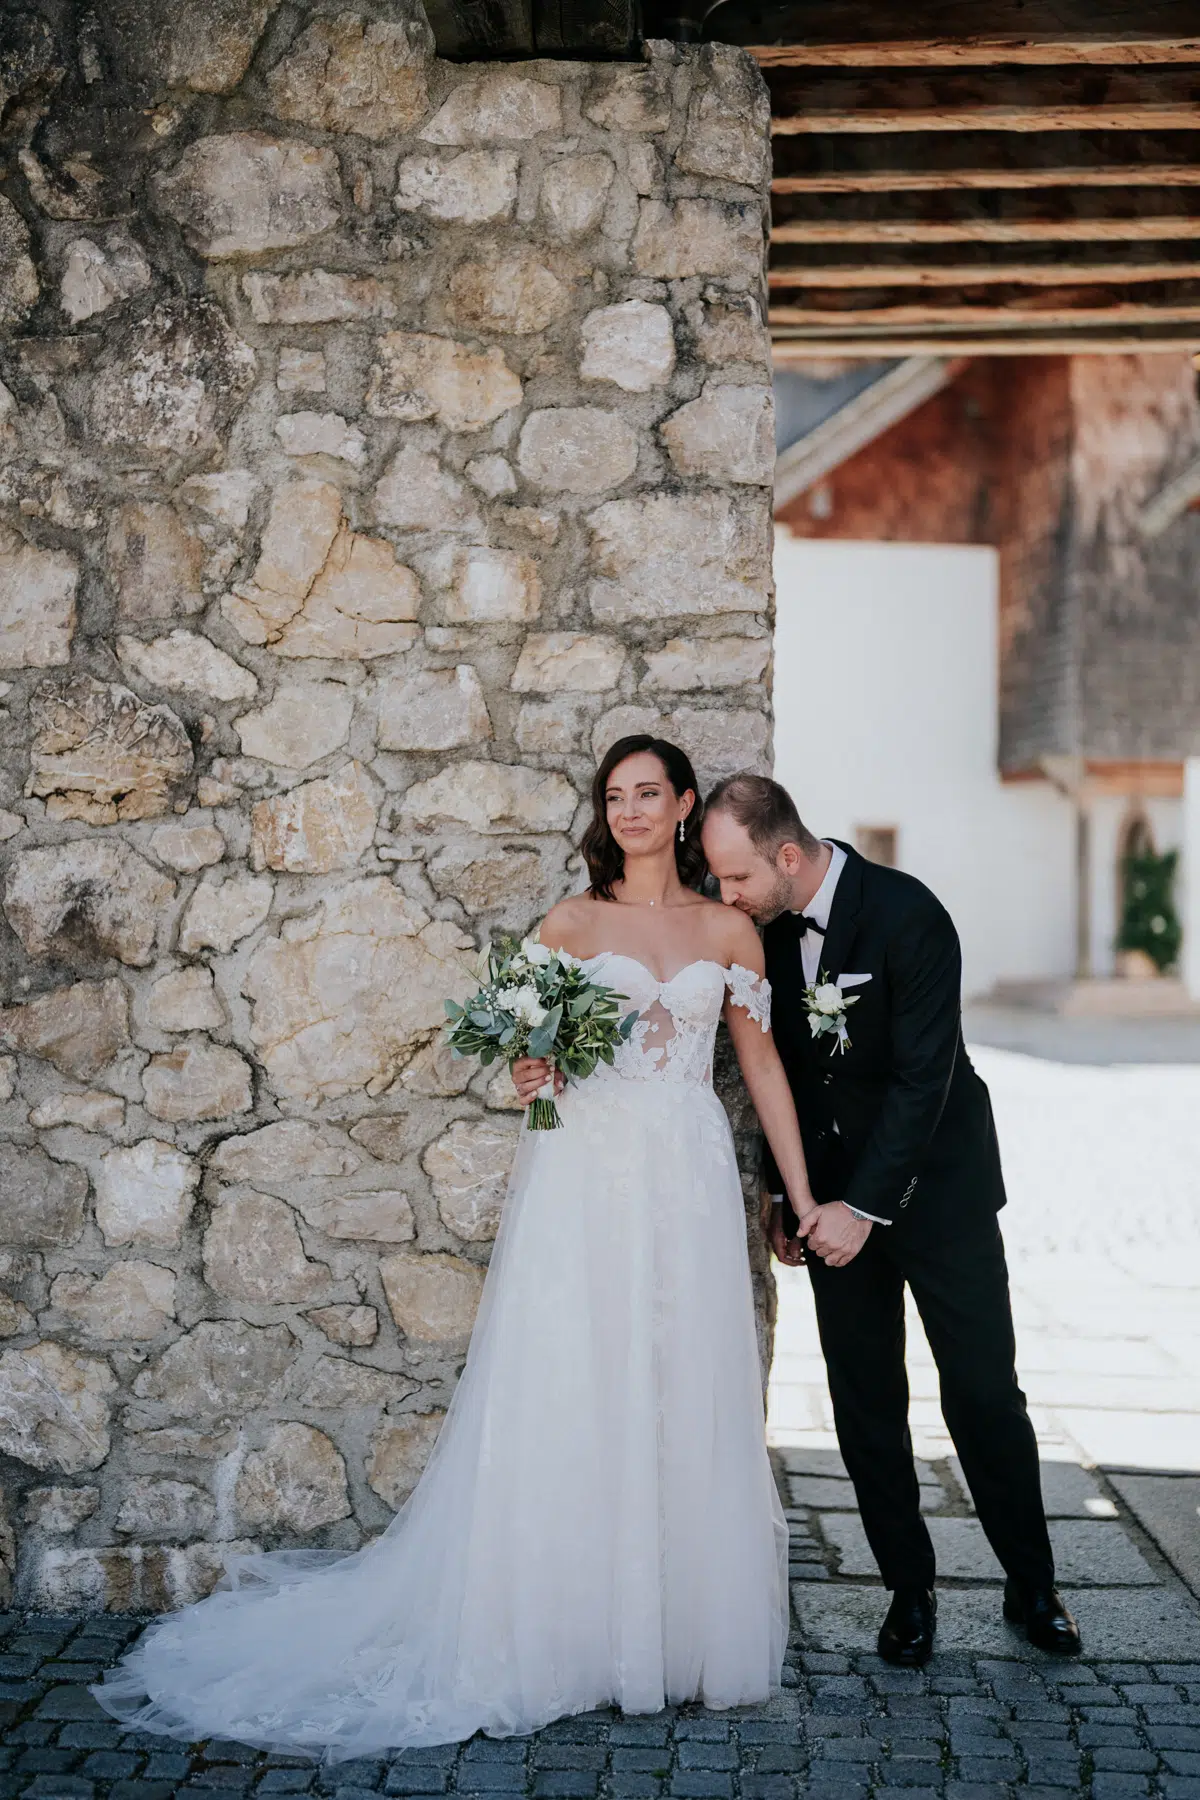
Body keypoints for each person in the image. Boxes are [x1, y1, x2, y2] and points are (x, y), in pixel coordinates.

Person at [94, 735, 818, 1755]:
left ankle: (677, 1636)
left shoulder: (729, 932)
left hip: (686, 1180)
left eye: (649, 793)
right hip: (587, 1176)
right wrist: (528, 1073)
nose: (631, 811)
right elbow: (528, 1052)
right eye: (615, 796)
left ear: (687, 805)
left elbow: (767, 1073)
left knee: (680, 1383)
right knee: (576, 1383)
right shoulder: (569, 923)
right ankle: (566, 1635)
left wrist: (801, 1192)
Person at [700, 772, 1080, 1667]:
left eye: (737, 880)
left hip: (937, 1197)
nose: (726, 898)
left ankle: (1034, 1585)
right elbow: (774, 1075)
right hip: (825, 1206)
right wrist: (783, 1195)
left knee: (985, 1394)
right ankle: (908, 1591)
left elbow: (925, 1076)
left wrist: (864, 1207)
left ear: (787, 856)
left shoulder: (909, 914)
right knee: (864, 1404)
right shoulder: (762, 932)